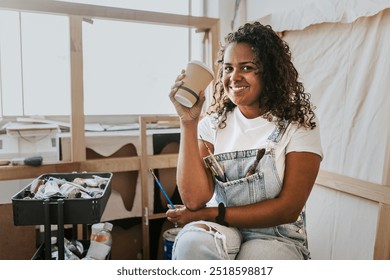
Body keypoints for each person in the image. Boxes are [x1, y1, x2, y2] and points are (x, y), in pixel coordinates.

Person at [167, 21, 323, 260]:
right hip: (225, 229)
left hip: (276, 236)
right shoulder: (213, 124)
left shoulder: (298, 125)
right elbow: (194, 199)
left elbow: (288, 209)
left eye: (247, 67)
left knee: (257, 259)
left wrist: (210, 214)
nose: (234, 77)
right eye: (228, 68)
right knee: (192, 243)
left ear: (269, 72)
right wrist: (188, 123)